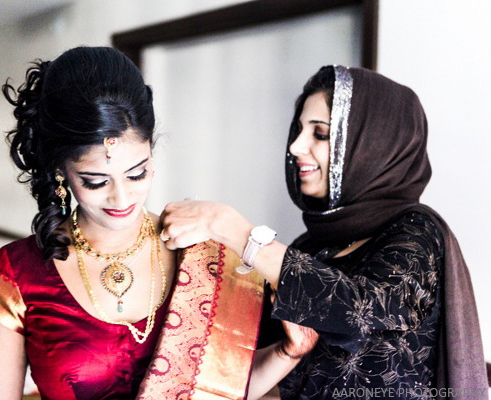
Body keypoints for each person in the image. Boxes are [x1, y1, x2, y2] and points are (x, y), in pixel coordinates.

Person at [160, 66, 488, 399]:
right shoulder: (310, 249)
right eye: (299, 131)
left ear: (372, 146)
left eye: (320, 134)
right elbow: (254, 363)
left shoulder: (417, 231)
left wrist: (237, 231)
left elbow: (361, 310)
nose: (296, 147)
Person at [0, 46, 269, 400]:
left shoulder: (203, 252)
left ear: (151, 156)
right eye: (96, 181)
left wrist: (287, 352)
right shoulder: (16, 275)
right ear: (61, 171)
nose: (122, 198)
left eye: (136, 174)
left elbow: (227, 388)